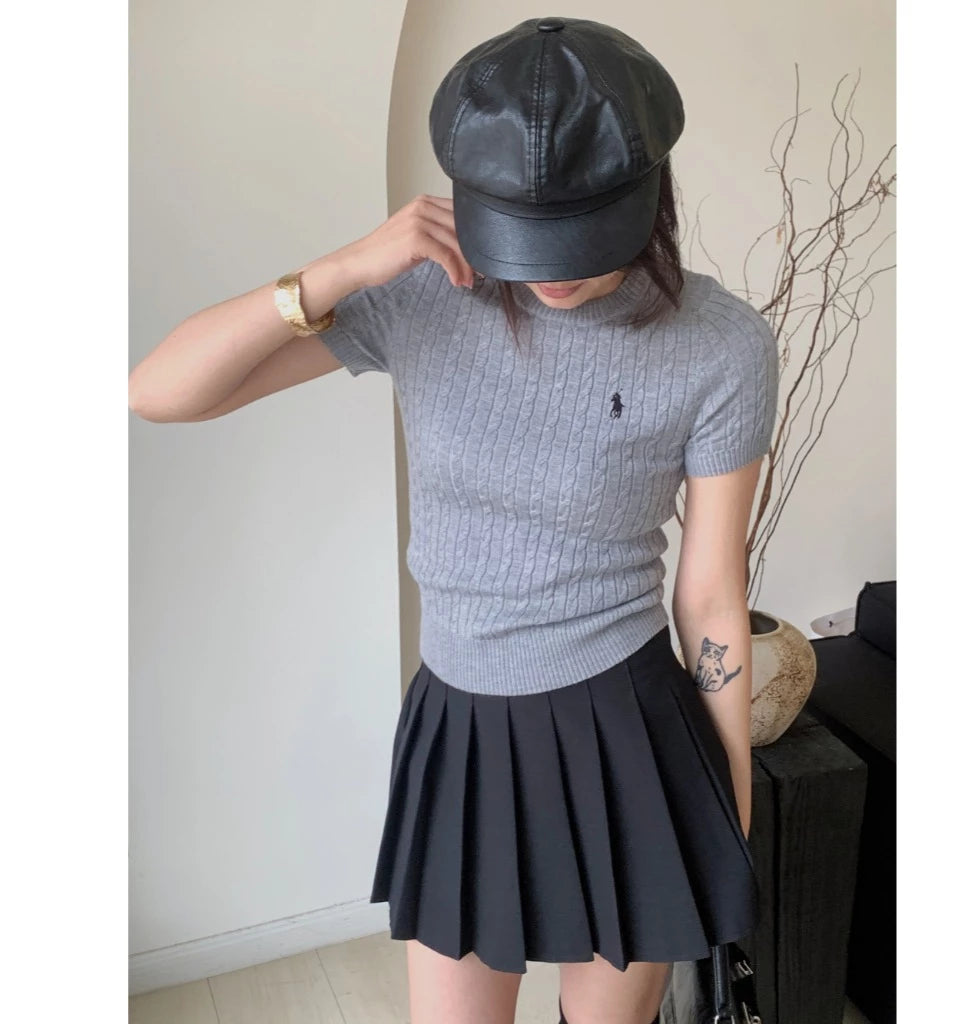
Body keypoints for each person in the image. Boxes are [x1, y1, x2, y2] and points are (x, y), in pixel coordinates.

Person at [129, 16, 779, 1024]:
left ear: (648, 195)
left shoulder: (720, 344)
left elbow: (710, 596)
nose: (554, 271)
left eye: (580, 235)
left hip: (625, 732)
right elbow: (161, 392)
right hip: (461, 733)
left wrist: (725, 814)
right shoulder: (422, 299)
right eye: (525, 232)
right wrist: (345, 267)